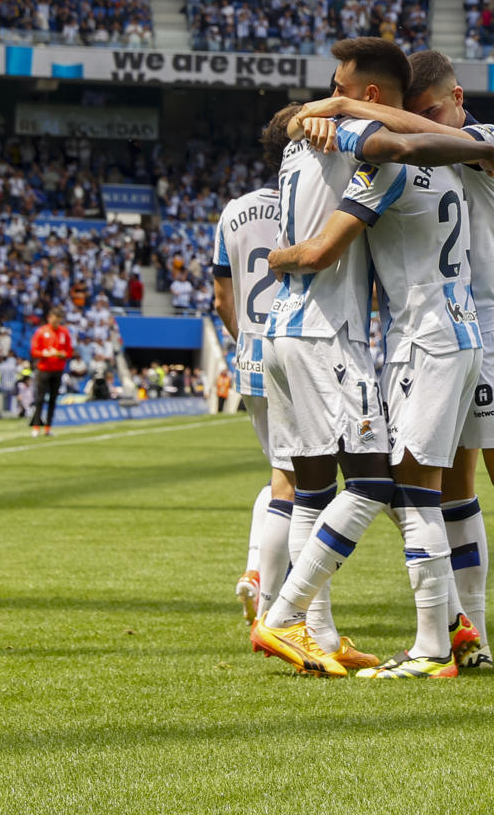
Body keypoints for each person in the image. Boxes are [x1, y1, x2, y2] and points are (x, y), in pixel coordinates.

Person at [291, 49, 494, 673]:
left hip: (490, 326)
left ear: (458, 98)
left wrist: (339, 104)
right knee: (448, 492)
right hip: (440, 328)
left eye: (431, 110)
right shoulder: (418, 147)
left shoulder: (486, 136)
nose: (420, 122)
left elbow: (434, 140)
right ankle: (474, 638)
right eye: (410, 113)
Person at [249, 38, 494, 679]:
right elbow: (412, 140)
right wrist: (483, 148)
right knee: (387, 489)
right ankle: (323, 625)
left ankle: (341, 632)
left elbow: (400, 143)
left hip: (352, 334)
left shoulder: (341, 143)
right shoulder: (432, 153)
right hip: (379, 335)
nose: (329, 96)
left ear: (367, 98)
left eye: (340, 86)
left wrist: (277, 257)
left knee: (349, 489)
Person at [212, 106, 298, 627]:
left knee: (281, 475)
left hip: (252, 359)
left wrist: (246, 341)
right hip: (302, 352)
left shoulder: (233, 210)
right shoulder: (312, 206)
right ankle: (280, 610)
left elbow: (223, 297)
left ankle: (257, 574)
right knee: (304, 483)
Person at [29, 310, 73, 437]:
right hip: (43, 369)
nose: (56, 321)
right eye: (54, 318)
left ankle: (48, 427)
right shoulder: (42, 332)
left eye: (58, 319)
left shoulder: (64, 332)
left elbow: (69, 352)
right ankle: (36, 427)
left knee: (53, 400)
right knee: (39, 399)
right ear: (49, 318)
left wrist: (60, 354)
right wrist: (45, 354)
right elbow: (34, 351)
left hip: (57, 370)